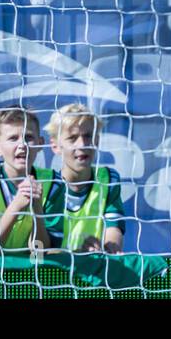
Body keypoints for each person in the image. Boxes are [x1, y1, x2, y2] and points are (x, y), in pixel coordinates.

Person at [0, 107, 62, 256]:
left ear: (40, 143)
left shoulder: (54, 183)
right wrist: (17, 205)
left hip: (29, 274)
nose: (22, 145)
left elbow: (40, 251)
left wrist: (37, 208)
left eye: (28, 137)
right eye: (13, 138)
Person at [46, 103, 126, 254]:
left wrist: (109, 247)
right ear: (55, 146)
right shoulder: (46, 186)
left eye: (88, 136)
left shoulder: (108, 180)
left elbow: (114, 231)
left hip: (95, 271)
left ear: (97, 140)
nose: (82, 144)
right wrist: (78, 254)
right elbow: (40, 250)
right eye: (72, 138)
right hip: (54, 273)